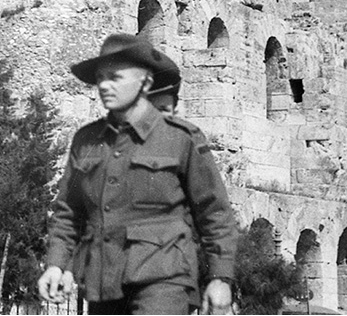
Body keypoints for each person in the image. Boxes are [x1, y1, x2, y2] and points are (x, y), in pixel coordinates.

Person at [39, 33, 239, 315]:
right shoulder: (87, 139)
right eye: (100, 78)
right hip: (103, 281)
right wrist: (56, 265)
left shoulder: (180, 138)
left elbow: (214, 213)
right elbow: (68, 213)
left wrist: (220, 278)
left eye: (115, 77)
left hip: (164, 280)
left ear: (145, 82)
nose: (104, 86)